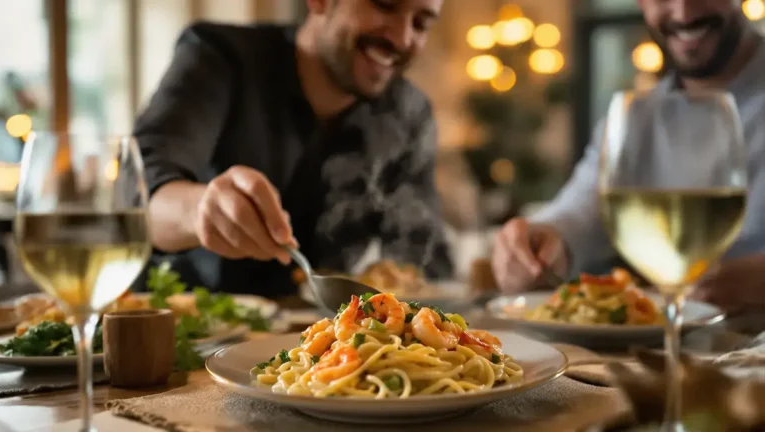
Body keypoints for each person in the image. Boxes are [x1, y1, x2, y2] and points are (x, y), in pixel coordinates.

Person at [137, 0, 452, 297]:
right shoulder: (220, 56)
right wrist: (200, 210)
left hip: (324, 343)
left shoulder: (409, 113)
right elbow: (138, 195)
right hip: (192, 329)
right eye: (384, 4)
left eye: (421, 23)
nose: (402, 37)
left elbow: (421, 249)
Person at [492, 0, 765, 313]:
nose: (683, 11)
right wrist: (541, 242)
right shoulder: (636, 116)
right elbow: (583, 209)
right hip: (675, 353)